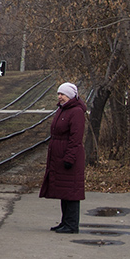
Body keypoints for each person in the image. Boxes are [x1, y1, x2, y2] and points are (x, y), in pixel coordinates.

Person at [39, 81, 86, 233]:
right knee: (64, 191)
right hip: (60, 156)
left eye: (63, 94)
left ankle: (72, 225)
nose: (60, 97)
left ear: (71, 96)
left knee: (71, 192)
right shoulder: (63, 110)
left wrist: (69, 158)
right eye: (59, 94)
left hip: (69, 157)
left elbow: (75, 138)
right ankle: (65, 222)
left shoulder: (76, 112)